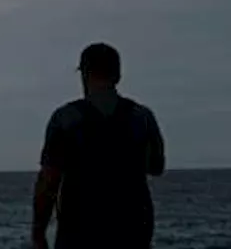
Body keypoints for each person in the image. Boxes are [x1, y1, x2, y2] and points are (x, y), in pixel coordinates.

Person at [31, 42, 166, 249]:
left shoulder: (66, 119)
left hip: (79, 233)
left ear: (84, 74)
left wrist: (38, 233)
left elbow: (49, 181)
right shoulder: (142, 117)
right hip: (133, 231)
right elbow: (156, 167)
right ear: (118, 75)